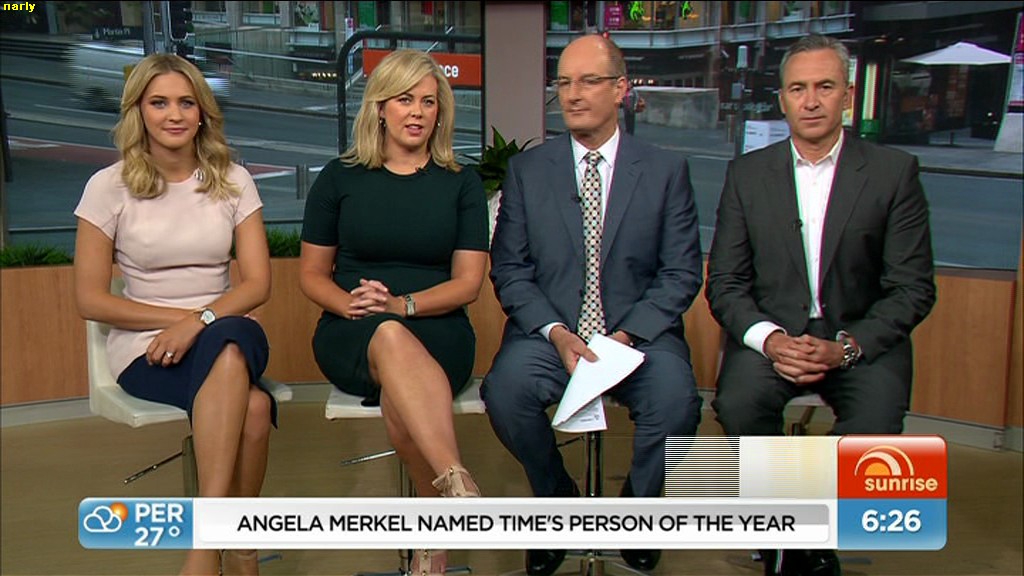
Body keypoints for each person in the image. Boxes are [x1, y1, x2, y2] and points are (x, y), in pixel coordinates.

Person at [706, 34, 936, 575]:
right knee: (738, 406)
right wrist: (771, 341)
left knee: (876, 428)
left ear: (848, 96)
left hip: (860, 339)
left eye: (825, 87)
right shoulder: (747, 175)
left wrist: (846, 348)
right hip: (775, 339)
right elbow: (727, 284)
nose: (810, 101)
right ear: (782, 99)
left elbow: (912, 287)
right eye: (798, 89)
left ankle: (803, 532)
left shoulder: (893, 172)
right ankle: (791, 536)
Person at [484, 35, 703, 576]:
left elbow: (680, 272)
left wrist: (623, 338)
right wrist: (558, 333)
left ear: (621, 89)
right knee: (505, 392)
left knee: (677, 401)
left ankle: (637, 511)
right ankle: (558, 502)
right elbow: (510, 269)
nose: (572, 94)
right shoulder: (529, 171)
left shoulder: (665, 170)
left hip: (639, 338)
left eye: (588, 81)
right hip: (551, 337)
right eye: (563, 82)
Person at [74, 54, 274, 576]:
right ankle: (242, 549)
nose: (174, 114)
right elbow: (90, 300)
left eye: (186, 102)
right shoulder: (108, 186)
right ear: (139, 111)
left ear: (202, 111)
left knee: (228, 341)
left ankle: (205, 547)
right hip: (147, 348)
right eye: (159, 102)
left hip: (227, 329)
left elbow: (257, 284)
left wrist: (199, 321)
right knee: (254, 409)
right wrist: (181, 321)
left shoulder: (233, 180)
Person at [298, 49, 488, 576]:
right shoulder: (339, 177)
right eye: (405, 100)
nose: (418, 112)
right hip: (353, 330)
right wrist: (352, 304)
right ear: (380, 107)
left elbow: (468, 283)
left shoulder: (461, 182)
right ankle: (454, 484)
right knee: (386, 335)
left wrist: (402, 305)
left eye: (429, 101)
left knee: (398, 381)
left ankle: (435, 537)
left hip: (441, 331)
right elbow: (312, 274)